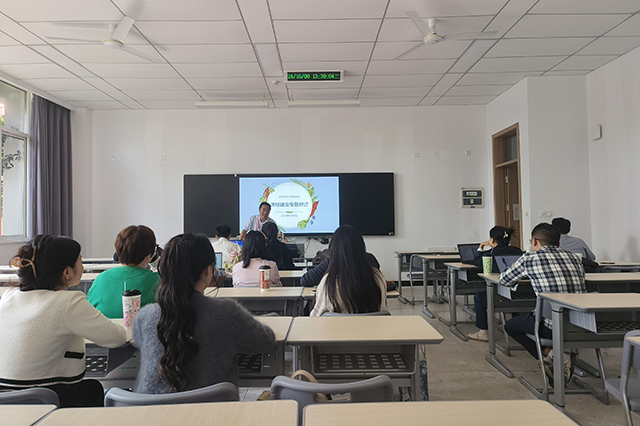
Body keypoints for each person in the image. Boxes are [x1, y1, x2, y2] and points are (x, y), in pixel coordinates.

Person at [132, 233, 275, 393]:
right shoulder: (226, 313)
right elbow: (265, 341)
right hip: (213, 407)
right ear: (207, 271)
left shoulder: (144, 317)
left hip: (149, 407)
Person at [0, 235, 128, 407]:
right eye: (80, 261)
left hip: (5, 401)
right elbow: (116, 337)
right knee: (93, 389)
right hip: (46, 398)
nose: (83, 267)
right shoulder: (68, 302)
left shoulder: (8, 296)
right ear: (67, 272)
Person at [501, 223, 586, 384]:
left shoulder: (529, 259)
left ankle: (552, 355)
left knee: (510, 326)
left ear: (534, 241)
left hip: (551, 326)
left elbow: (504, 280)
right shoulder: (575, 258)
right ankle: (558, 356)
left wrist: (513, 267)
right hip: (581, 323)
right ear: (558, 243)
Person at [311, 225, 387, 316]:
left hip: (337, 326)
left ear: (333, 250)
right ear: (361, 248)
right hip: (371, 325)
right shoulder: (377, 277)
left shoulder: (329, 282)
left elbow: (316, 317)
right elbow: (382, 310)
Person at [88, 225, 160, 318]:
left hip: (103, 327)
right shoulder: (158, 281)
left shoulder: (100, 279)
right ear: (149, 255)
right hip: (140, 327)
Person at [467, 226, 524, 342]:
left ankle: (483, 332)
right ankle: (520, 327)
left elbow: (477, 262)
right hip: (520, 296)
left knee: (479, 297)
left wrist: (481, 247)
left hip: (498, 297)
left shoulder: (489, 254)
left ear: (492, 240)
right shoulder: (517, 251)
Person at [301, 249, 381, 287]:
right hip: (371, 314)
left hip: (336, 315)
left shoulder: (332, 261)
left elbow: (305, 281)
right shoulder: (370, 259)